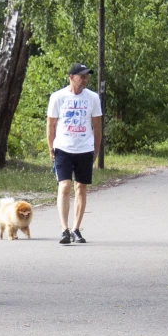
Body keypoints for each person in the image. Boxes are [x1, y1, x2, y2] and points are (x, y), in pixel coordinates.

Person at [47, 63, 102, 244]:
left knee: (81, 188)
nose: (85, 79)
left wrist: (96, 148)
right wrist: (51, 147)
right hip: (63, 148)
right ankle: (64, 230)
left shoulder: (92, 98)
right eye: (82, 76)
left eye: (87, 76)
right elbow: (51, 124)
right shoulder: (58, 97)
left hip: (85, 148)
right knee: (64, 186)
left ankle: (76, 228)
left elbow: (97, 126)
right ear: (71, 77)